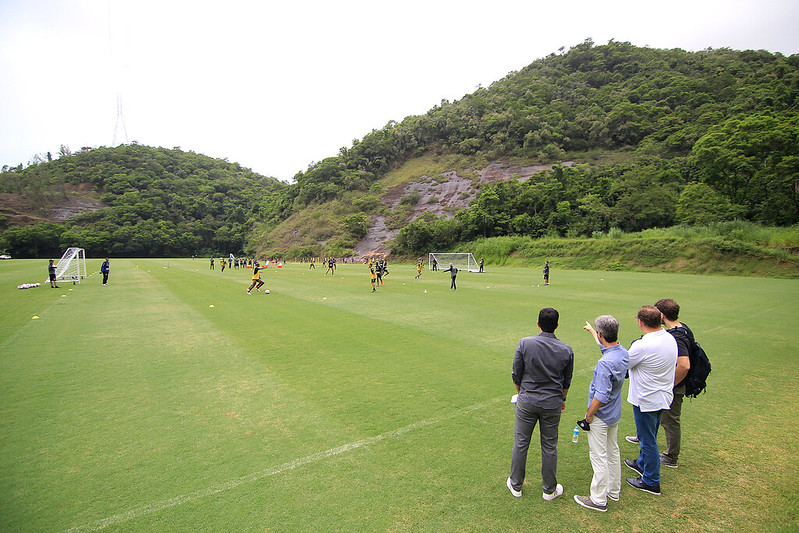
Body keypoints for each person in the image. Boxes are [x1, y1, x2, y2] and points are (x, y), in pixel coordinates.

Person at [508, 307, 574, 501]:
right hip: (551, 402)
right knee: (549, 446)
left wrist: (521, 394)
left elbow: (516, 373)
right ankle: (549, 489)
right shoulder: (566, 349)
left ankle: (516, 484)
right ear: (557, 325)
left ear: (538, 324)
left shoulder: (525, 343)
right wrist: (562, 400)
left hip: (528, 400)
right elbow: (566, 381)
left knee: (521, 443)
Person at [574, 316, 630, 512]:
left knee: (599, 456)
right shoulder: (622, 352)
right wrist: (592, 332)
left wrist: (589, 415)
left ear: (601, 334)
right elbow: (606, 348)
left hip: (601, 415)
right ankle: (613, 491)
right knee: (612, 452)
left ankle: (598, 499)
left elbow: (601, 395)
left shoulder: (605, 364)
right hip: (614, 413)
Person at [624, 305, 677, 496]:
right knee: (650, 435)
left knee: (648, 440)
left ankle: (651, 480)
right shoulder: (669, 337)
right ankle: (642, 463)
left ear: (640, 322)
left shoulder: (642, 345)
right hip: (662, 396)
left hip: (646, 399)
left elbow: (624, 364)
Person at [654, 298, 693, 469]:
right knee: (656, 412)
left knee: (670, 420)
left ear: (662, 315)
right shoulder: (682, 327)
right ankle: (645, 437)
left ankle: (671, 457)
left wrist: (670, 385)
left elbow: (684, 365)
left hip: (674, 387)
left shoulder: (677, 336)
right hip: (669, 384)